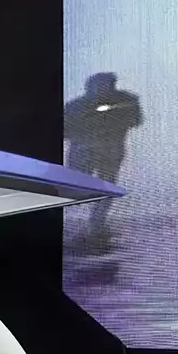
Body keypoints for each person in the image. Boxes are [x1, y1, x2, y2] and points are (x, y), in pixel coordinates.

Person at [62, 72, 142, 235]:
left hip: (108, 151)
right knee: (77, 188)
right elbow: (65, 131)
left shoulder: (126, 101)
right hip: (86, 151)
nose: (102, 89)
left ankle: (96, 225)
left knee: (105, 188)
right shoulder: (75, 106)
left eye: (106, 85)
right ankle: (87, 224)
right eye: (99, 86)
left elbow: (135, 120)